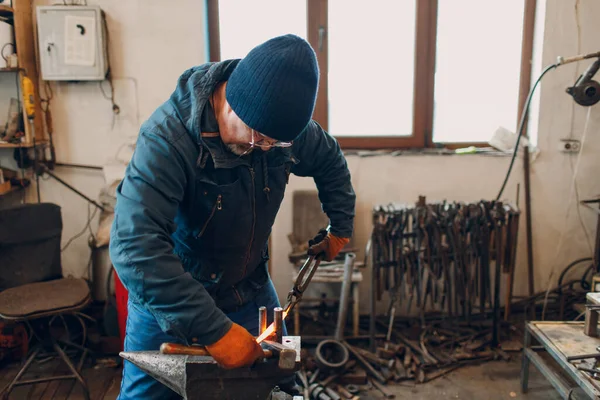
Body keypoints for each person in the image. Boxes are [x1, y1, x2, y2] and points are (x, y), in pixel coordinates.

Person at [109, 34, 356, 399]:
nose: (264, 149)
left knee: (280, 388)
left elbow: (330, 160)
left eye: (275, 144)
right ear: (229, 103)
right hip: (172, 302)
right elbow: (133, 247)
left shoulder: (279, 132)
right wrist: (213, 330)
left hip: (250, 287)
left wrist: (340, 226)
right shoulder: (168, 139)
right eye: (258, 140)